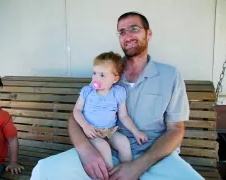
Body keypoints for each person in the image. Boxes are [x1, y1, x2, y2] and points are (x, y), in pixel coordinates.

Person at [30, 12, 204, 180]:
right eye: (122, 32)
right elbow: (76, 114)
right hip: (103, 148)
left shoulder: (169, 75)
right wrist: (85, 150)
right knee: (43, 170)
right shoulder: (106, 71)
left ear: (148, 33)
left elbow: (176, 129)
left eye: (134, 28)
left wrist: (138, 166)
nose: (127, 36)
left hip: (154, 156)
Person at [74, 51, 148, 168]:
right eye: (94, 73)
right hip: (91, 133)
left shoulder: (117, 92)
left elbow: (123, 116)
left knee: (124, 142)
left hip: (110, 131)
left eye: (102, 75)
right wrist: (84, 125)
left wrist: (135, 131)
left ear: (115, 79)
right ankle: (109, 174)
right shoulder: (87, 92)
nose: (95, 78)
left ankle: (127, 171)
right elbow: (77, 110)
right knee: (104, 147)